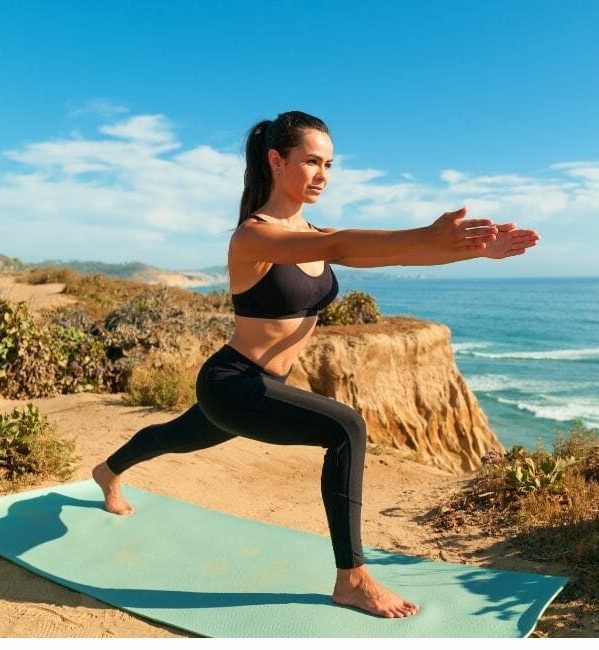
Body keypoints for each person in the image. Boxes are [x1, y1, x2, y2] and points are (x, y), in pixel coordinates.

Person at [92, 110, 540, 619]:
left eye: (329, 163)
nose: (323, 173)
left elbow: (392, 258)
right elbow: (341, 244)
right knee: (345, 426)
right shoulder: (254, 236)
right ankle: (352, 579)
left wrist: (472, 251)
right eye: (311, 161)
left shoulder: (307, 230)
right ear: (276, 161)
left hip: (263, 385)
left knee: (176, 436)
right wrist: (425, 230)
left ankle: (108, 471)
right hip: (232, 382)